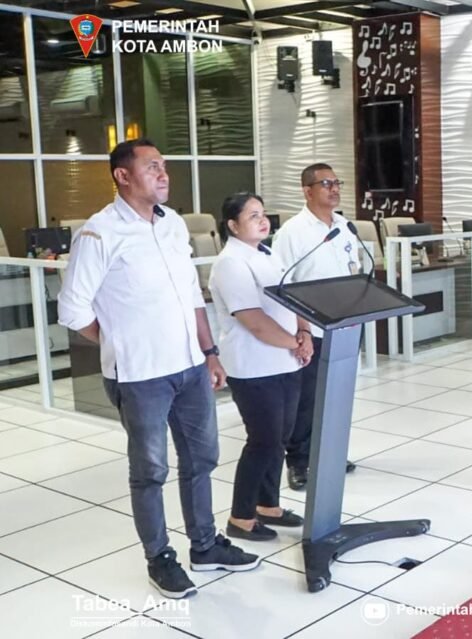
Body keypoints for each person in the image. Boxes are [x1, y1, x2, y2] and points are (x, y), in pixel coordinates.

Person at [57, 138, 259, 599]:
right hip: (139, 374)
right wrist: (118, 340)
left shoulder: (171, 224)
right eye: (152, 167)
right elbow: (71, 308)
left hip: (189, 366)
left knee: (201, 459)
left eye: (164, 165)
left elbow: (191, 295)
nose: (164, 173)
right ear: (122, 176)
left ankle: (205, 546)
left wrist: (210, 352)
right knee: (150, 470)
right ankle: (160, 558)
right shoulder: (99, 233)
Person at [208, 192, 315, 542]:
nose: (263, 220)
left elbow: (295, 299)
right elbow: (253, 320)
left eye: (263, 213)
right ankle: (240, 517)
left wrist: (304, 333)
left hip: (286, 360)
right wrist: (295, 343)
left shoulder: (267, 253)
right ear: (232, 225)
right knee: (263, 441)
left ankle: (267, 505)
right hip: (254, 366)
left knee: (280, 439)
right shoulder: (230, 263)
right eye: (253, 215)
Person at [272, 163, 360, 490]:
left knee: (338, 396)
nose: (334, 189)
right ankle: (299, 462)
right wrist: (303, 330)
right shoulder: (292, 232)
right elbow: (284, 285)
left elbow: (354, 271)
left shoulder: (344, 226)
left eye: (337, 182)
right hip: (314, 329)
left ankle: (330, 455)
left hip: (346, 325)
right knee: (307, 401)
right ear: (307, 191)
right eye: (326, 184)